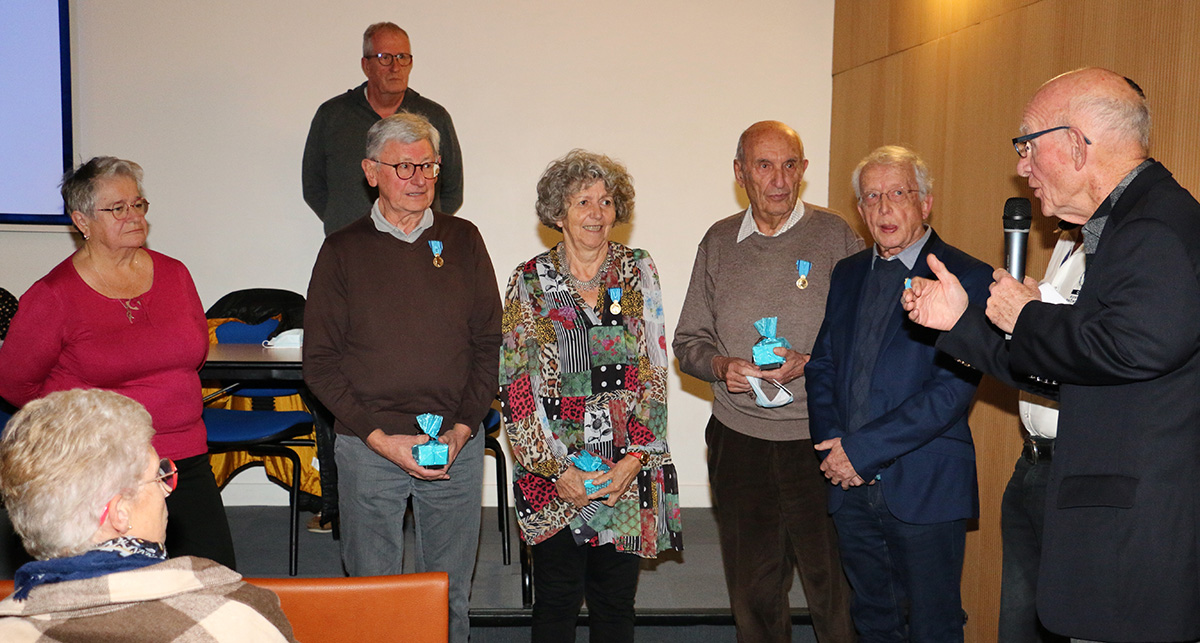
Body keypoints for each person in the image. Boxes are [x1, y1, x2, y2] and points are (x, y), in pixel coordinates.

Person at [902, 68, 1200, 643]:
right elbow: (1078, 369)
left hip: (1138, 545)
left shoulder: (1156, 228)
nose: (1021, 166)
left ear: (1075, 143)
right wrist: (961, 322)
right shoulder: (1125, 225)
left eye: (1027, 144)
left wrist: (1027, 315)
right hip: (1113, 532)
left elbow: (1133, 348)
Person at [303, 112, 500, 643]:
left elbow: (488, 344)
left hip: (455, 445)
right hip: (370, 447)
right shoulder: (342, 250)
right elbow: (319, 362)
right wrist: (378, 439)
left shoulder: (464, 240)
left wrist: (463, 428)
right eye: (404, 166)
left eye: (429, 166)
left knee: (448, 594)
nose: (419, 178)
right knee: (374, 596)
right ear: (371, 171)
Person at [0, 157, 236, 569]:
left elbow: (194, 355)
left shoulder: (175, 274)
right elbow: (14, 385)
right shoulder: (53, 295)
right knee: (119, 595)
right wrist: (84, 430)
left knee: (212, 580)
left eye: (138, 204)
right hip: (99, 471)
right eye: (118, 208)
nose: (134, 216)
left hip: (184, 457)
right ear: (81, 220)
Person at [673, 120, 859, 643]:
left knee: (833, 593)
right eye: (764, 165)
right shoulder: (718, 242)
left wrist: (813, 360)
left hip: (820, 441)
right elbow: (688, 341)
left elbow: (861, 338)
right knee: (754, 596)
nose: (779, 179)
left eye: (789, 164)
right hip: (739, 443)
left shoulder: (835, 235)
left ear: (803, 169)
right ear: (740, 173)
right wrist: (720, 366)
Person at [805, 146, 992, 642]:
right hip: (848, 485)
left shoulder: (966, 276)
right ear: (861, 210)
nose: (884, 208)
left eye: (897, 193)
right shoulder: (847, 273)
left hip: (925, 485)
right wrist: (833, 448)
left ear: (925, 203)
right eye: (871, 197)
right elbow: (822, 365)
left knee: (934, 626)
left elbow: (951, 392)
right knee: (872, 619)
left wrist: (860, 452)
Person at [500, 150, 682, 642]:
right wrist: (556, 468)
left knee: (615, 604)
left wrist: (636, 459)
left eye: (606, 201)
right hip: (555, 471)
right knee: (556, 601)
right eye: (583, 201)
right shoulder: (530, 280)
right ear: (558, 214)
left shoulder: (637, 270)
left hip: (624, 467)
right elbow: (516, 384)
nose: (597, 213)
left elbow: (653, 372)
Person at [0, 389, 295, 642]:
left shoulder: (9, 628)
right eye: (158, 476)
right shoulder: (234, 618)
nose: (168, 491)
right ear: (119, 514)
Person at [303, 21, 464, 235]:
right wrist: (346, 225)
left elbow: (452, 190)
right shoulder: (332, 115)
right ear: (365, 65)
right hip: (351, 249)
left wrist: (412, 223)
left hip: (418, 247)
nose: (395, 67)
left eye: (402, 57)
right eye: (385, 58)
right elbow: (314, 187)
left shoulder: (434, 117)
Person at [999, 224, 1081, 643]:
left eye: (1032, 154)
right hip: (1029, 461)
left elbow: (1085, 345)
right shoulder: (1066, 241)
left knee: (1065, 621)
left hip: (1072, 468)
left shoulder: (1120, 247)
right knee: (1018, 624)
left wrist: (1035, 308)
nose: (1026, 171)